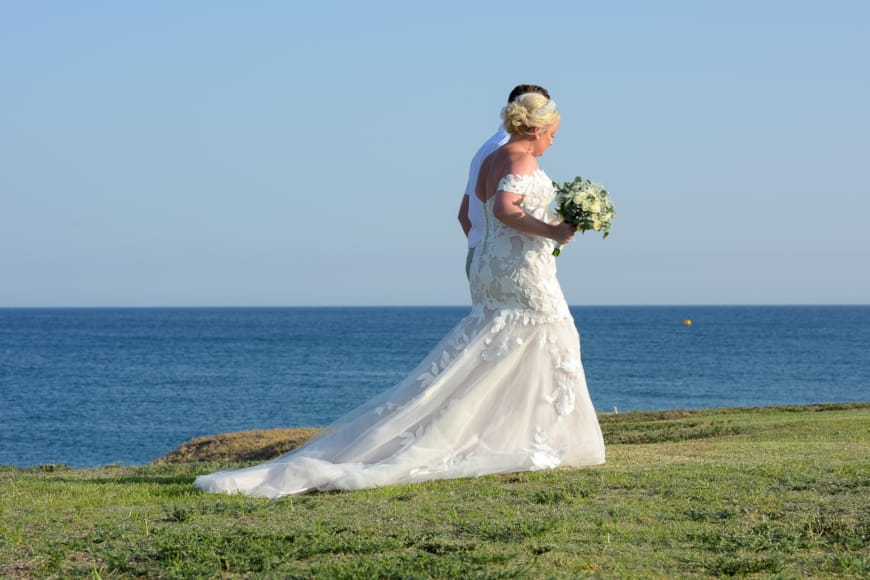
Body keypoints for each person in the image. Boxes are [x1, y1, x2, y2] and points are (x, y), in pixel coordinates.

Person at [195, 92, 605, 498]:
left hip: (491, 266)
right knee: (554, 333)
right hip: (520, 271)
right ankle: (542, 438)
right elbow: (503, 208)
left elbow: (471, 215)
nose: (553, 141)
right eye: (551, 133)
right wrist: (552, 231)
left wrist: (527, 237)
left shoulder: (489, 156)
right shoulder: (519, 158)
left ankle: (516, 434)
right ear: (535, 129)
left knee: (502, 344)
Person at [458, 84, 550, 277]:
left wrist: (484, 250)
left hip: (482, 256)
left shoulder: (485, 150)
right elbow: (503, 209)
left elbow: (464, 214)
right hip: (510, 261)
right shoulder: (509, 151)